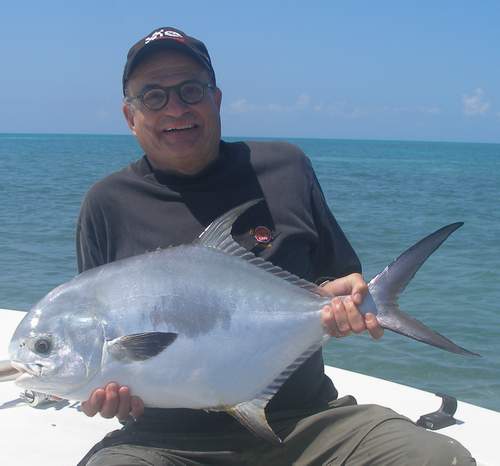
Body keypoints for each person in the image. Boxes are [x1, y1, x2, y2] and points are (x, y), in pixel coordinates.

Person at [76, 27, 475, 465]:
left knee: (437, 458)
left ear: (216, 99)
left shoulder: (285, 168)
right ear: (130, 116)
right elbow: (97, 333)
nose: (175, 108)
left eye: (191, 90)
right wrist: (105, 394)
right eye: (153, 96)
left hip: (307, 422)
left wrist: (342, 301)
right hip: (163, 440)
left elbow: (336, 281)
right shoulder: (106, 204)